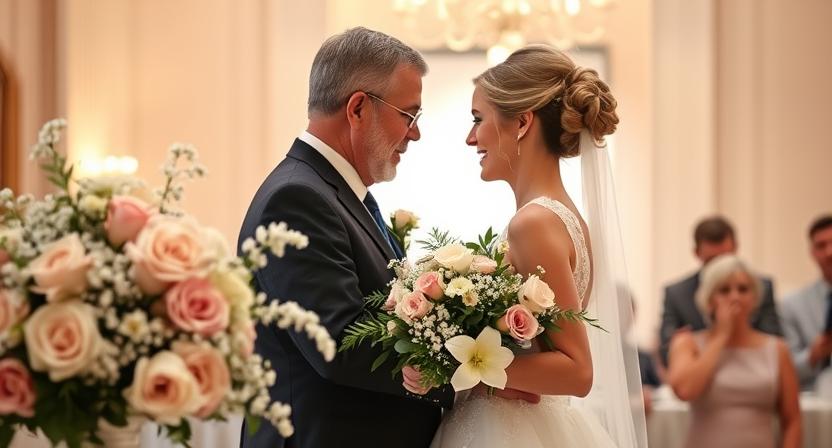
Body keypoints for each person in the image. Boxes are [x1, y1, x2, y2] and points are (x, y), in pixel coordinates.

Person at [237, 27, 454, 448]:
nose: (415, 134)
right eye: (409, 115)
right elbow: (340, 344)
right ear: (358, 108)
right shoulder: (297, 198)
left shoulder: (332, 194)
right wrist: (468, 374)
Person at [423, 44, 646, 447]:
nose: (470, 138)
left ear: (522, 122)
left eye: (478, 120)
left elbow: (577, 371)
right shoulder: (563, 216)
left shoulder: (534, 223)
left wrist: (460, 361)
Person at [667, 254, 801, 448]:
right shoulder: (687, 343)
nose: (735, 296)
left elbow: (792, 420)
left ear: (754, 298)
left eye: (743, 289)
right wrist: (721, 335)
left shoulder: (778, 349)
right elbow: (685, 390)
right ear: (709, 299)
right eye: (724, 290)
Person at [659, 216, 781, 365]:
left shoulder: (761, 287)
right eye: (712, 261)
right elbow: (667, 353)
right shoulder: (677, 294)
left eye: (725, 259)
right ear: (697, 252)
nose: (720, 269)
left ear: (736, 247)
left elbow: (773, 342)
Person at [781, 214, 832, 390]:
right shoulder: (792, 304)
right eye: (821, 245)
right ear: (812, 253)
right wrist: (814, 354)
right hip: (813, 401)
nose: (829, 252)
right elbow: (784, 370)